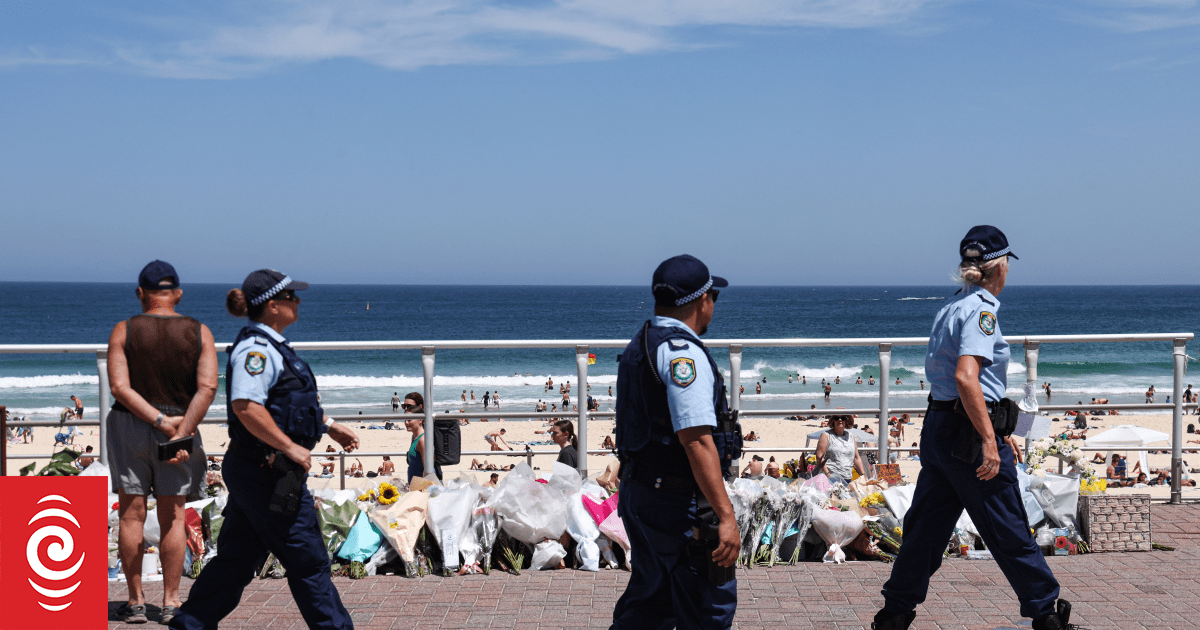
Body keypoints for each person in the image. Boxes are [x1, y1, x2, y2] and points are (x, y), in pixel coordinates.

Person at [875, 227, 1074, 630]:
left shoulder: (951, 307)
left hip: (940, 429)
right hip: (967, 436)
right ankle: (1046, 615)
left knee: (925, 531)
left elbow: (954, 381)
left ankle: (893, 616)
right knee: (1008, 526)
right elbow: (968, 378)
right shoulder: (982, 310)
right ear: (999, 267)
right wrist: (988, 439)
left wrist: (998, 433)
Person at [169, 268, 359, 630]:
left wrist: (329, 426)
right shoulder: (255, 351)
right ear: (273, 306)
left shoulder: (273, 347)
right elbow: (247, 406)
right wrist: (292, 448)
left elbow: (285, 407)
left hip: (259, 471)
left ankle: (190, 623)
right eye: (292, 297)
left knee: (237, 559)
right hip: (268, 472)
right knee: (308, 560)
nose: (298, 302)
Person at [612, 254, 741, 630]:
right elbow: (696, 440)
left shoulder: (642, 342)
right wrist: (725, 516)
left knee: (651, 602)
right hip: (678, 502)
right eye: (713, 296)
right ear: (702, 300)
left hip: (640, 492)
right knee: (707, 607)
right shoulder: (684, 356)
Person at [107, 260, 219, 625]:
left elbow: (119, 388)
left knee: (131, 513)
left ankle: (136, 600)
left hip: (129, 425)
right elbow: (208, 387)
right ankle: (171, 602)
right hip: (181, 427)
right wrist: (179, 428)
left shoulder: (123, 330)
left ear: (141, 293)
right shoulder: (199, 331)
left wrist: (157, 420)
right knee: (172, 515)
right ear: (179, 293)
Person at [401, 392, 441, 483]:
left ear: (420, 420)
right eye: (404, 406)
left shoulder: (423, 439)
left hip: (420, 488)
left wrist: (420, 489)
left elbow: (428, 471)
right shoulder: (416, 437)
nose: (406, 423)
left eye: (409, 420)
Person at [813, 415, 865, 484]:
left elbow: (856, 458)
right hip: (829, 479)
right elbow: (819, 457)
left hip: (847, 478)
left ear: (847, 420)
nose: (840, 420)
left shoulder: (851, 436)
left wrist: (863, 475)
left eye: (843, 418)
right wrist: (829, 475)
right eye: (836, 418)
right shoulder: (826, 435)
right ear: (833, 420)